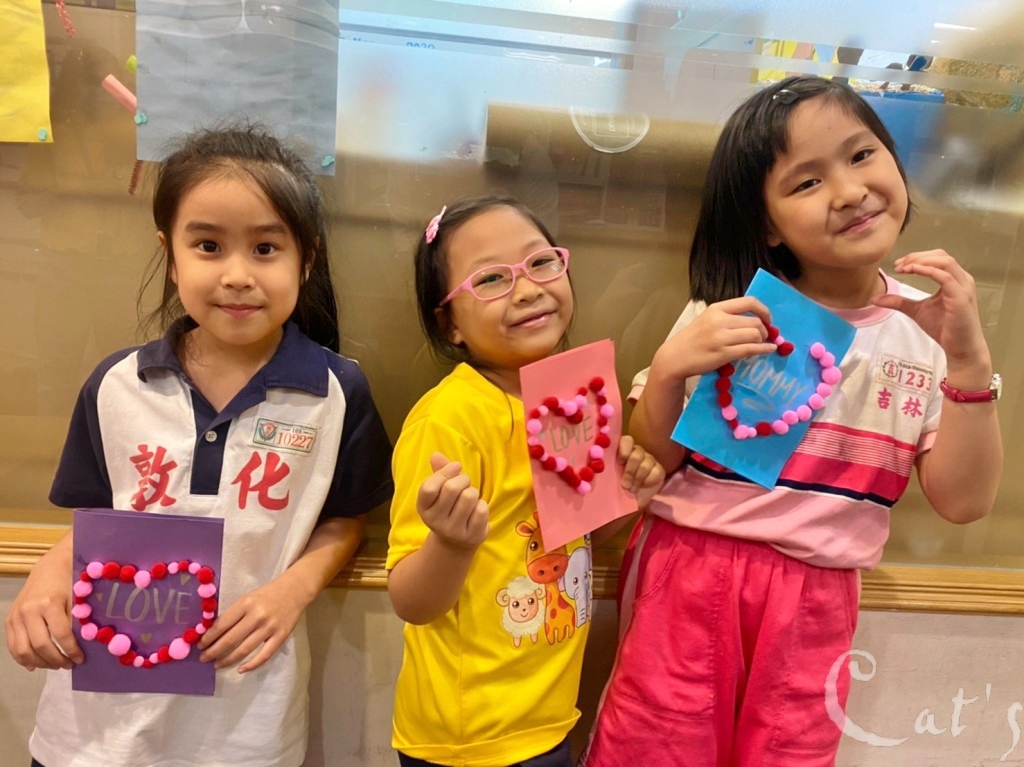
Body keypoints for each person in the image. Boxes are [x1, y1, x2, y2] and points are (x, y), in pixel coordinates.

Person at [581, 75, 1003, 767]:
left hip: (818, 592)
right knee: (658, 743)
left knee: (789, 752)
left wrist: (968, 362)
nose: (849, 191)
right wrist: (668, 371)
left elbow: (964, 502)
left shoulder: (929, 331)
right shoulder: (733, 313)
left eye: (861, 155)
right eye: (807, 182)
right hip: (690, 572)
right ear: (768, 225)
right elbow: (649, 469)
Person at [5, 125, 394, 767]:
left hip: (245, 725)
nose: (237, 275)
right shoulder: (116, 384)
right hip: (94, 728)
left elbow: (345, 520)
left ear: (307, 259)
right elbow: (93, 523)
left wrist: (291, 591)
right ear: (170, 252)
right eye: (208, 245)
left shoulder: (336, 392)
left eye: (266, 248)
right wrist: (46, 580)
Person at [386, 195, 665, 767]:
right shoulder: (451, 419)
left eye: (541, 262)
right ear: (450, 323)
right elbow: (411, 601)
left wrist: (631, 495)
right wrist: (452, 543)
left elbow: (578, 539)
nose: (527, 289)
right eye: (491, 279)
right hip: (467, 738)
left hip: (550, 716)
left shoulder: (574, 399)